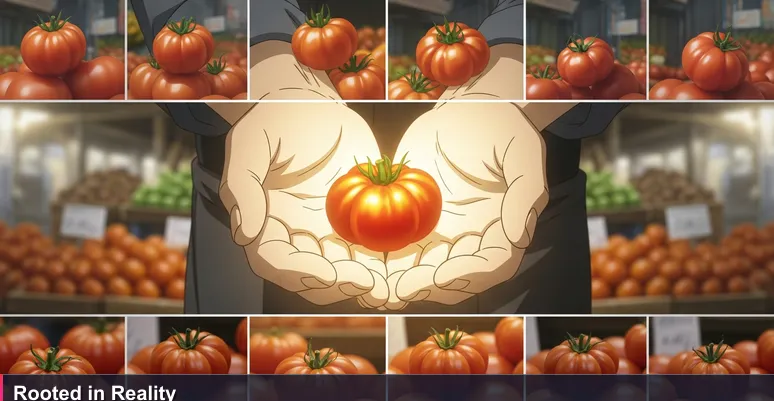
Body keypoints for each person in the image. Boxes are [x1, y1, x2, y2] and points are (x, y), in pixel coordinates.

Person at [131, 0, 626, 314]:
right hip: (262, 174)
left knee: (526, 390)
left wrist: (508, 68)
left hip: (514, 174)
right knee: (236, 391)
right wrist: (271, 64)